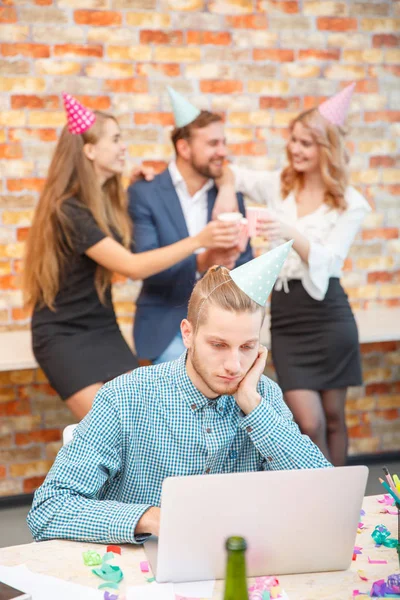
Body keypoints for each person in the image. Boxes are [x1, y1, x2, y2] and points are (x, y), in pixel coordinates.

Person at [27, 244, 331, 544]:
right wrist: (152, 518)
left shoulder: (262, 395)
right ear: (188, 333)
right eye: (218, 345)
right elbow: (48, 510)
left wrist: (253, 406)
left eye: (247, 347)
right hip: (141, 575)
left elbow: (323, 496)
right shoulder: (125, 397)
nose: (234, 365)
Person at [22, 93, 240, 420]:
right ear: (90, 151)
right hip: (63, 336)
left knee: (143, 423)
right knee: (111, 427)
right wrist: (199, 239)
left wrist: (130, 187)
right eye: (116, 139)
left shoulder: (104, 204)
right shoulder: (68, 211)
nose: (124, 146)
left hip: (102, 328)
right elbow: (132, 266)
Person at [215, 83, 371, 467]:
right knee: (309, 421)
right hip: (287, 317)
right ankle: (317, 499)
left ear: (327, 149)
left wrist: (290, 232)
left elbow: (330, 262)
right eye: (294, 141)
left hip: (330, 315)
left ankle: (340, 505)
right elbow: (231, 172)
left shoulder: (351, 203)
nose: (296, 150)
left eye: (307, 143)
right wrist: (225, 192)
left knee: (335, 418)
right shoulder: (278, 185)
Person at [128, 87, 252, 365]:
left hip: (223, 329)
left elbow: (246, 263)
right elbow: (146, 268)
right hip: (165, 328)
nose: (223, 151)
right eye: (213, 144)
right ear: (184, 148)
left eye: (224, 142)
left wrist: (232, 262)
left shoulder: (228, 195)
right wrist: (201, 261)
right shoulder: (145, 193)